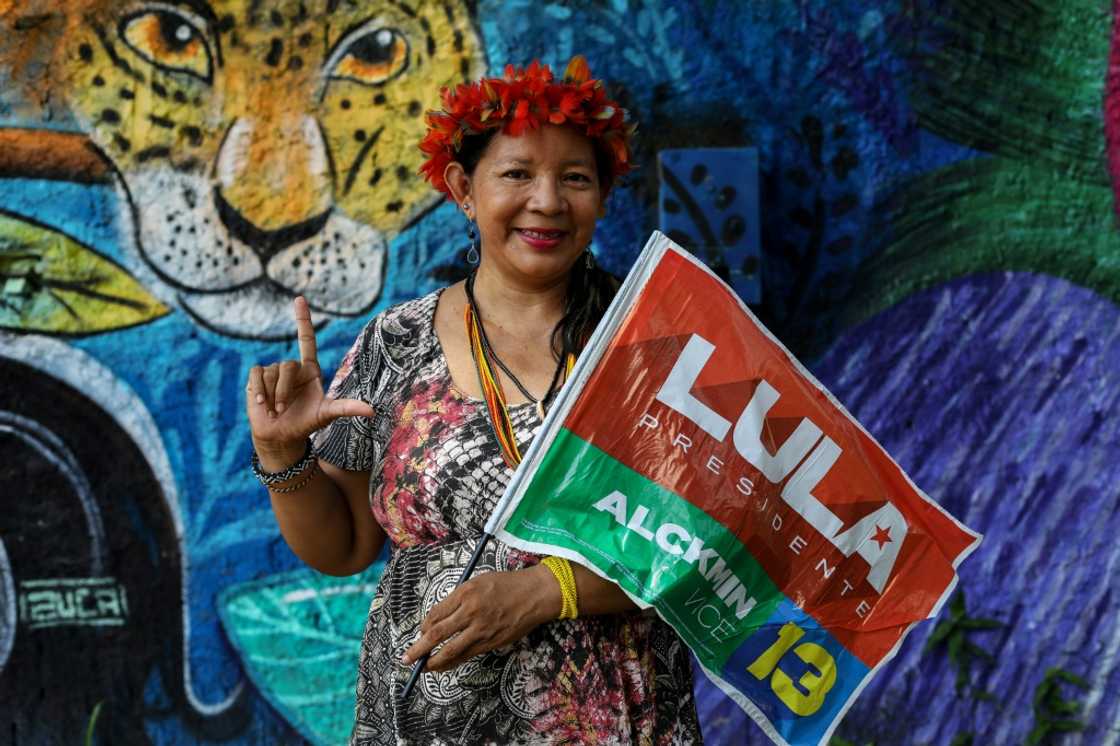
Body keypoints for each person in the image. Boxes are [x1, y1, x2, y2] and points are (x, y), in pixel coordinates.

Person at [245, 56, 702, 744]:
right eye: (516, 174)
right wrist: (281, 453)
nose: (546, 201)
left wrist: (547, 592)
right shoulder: (395, 344)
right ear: (464, 187)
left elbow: (716, 545)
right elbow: (342, 547)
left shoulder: (658, 342)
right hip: (422, 725)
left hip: (611, 721)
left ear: (604, 195)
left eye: (575, 178)